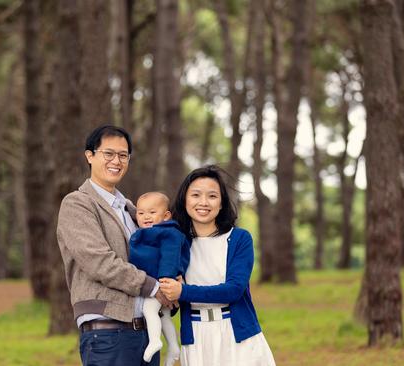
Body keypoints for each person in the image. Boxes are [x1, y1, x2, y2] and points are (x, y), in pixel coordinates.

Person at [56, 125, 173, 366]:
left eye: (123, 155)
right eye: (108, 153)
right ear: (90, 155)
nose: (116, 161)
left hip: (146, 333)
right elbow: (99, 262)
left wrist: (172, 282)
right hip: (107, 334)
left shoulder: (132, 210)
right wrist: (153, 287)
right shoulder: (78, 204)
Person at [159, 165, 276, 366]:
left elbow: (234, 290)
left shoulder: (239, 239)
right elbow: (170, 293)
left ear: (221, 203)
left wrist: (182, 291)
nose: (203, 202)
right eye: (195, 195)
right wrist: (169, 294)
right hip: (196, 337)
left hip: (238, 336)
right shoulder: (176, 243)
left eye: (212, 196)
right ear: (185, 200)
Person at [128, 192, 190, 366]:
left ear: (166, 215)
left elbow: (170, 257)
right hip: (157, 281)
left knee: (149, 310)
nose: (146, 216)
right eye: (141, 213)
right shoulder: (148, 232)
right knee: (163, 316)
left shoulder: (169, 233)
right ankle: (173, 347)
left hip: (164, 282)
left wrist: (165, 283)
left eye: (152, 212)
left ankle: (155, 340)